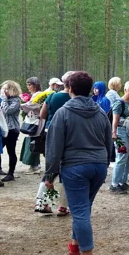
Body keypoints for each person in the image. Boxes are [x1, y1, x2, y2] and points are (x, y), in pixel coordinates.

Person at [45, 71, 112, 255]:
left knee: (80, 210)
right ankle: (75, 245)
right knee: (83, 207)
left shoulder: (63, 113)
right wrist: (104, 163)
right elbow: (109, 142)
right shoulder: (100, 111)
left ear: (70, 89)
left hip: (75, 167)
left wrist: (49, 174)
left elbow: (54, 147)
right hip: (98, 166)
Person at [35, 71, 74, 215]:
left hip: (49, 134)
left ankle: (41, 203)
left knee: (50, 168)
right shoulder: (75, 99)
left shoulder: (52, 96)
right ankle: (63, 206)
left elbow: (42, 115)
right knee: (65, 169)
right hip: (69, 137)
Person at [110, 80, 129, 194]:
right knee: (121, 157)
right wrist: (114, 132)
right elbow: (115, 119)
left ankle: (123, 181)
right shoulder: (119, 103)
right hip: (121, 132)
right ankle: (114, 184)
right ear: (125, 90)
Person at [0, 81, 22, 182]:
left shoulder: (16, 100)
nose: (4, 91)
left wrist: (4, 99)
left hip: (12, 130)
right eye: (3, 89)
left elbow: (8, 111)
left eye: (6, 89)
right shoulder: (3, 100)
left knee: (11, 151)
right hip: (3, 128)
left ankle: (11, 173)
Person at [20, 77, 42, 174]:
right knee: (32, 141)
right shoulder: (34, 95)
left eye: (30, 84)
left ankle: (35, 165)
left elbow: (32, 105)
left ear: (35, 85)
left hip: (36, 121)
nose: (28, 87)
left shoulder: (38, 95)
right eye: (27, 84)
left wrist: (21, 105)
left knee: (34, 142)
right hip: (33, 119)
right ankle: (34, 164)